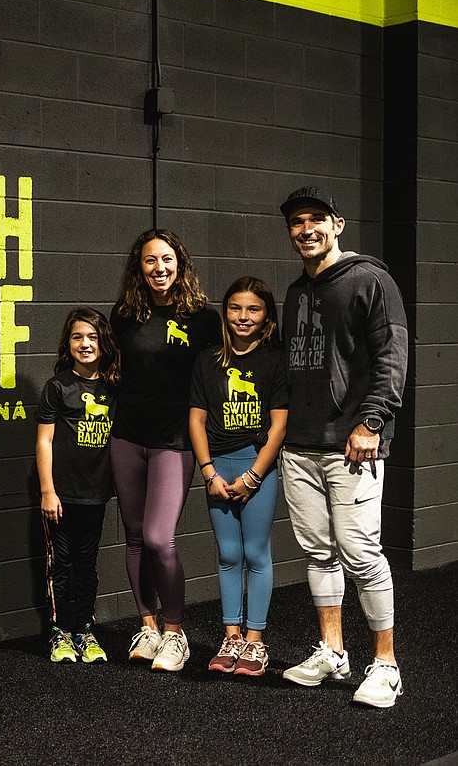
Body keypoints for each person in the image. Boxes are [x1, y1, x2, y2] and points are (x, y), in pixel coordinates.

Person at [277, 186, 409, 707]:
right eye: (296, 223)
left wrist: (371, 423)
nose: (306, 229)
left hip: (353, 445)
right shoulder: (296, 292)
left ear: (338, 225)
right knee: (318, 553)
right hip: (301, 446)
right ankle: (333, 653)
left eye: (316, 220)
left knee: (362, 555)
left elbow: (392, 358)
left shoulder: (370, 280)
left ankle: (386, 665)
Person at [110, 229, 221, 671]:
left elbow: (216, 380)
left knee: (160, 538)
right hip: (126, 434)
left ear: (181, 263)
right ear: (139, 267)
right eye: (150, 261)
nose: (160, 268)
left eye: (167, 259)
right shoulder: (123, 315)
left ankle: (176, 633)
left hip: (174, 437)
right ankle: (148, 626)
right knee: (135, 537)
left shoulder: (204, 318)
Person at [189, 277, 288, 677]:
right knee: (229, 554)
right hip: (218, 468)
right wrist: (208, 472)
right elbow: (196, 420)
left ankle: (255, 641)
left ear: (266, 317)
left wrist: (254, 475)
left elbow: (279, 425)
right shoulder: (206, 360)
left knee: (255, 554)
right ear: (225, 312)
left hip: (256, 466)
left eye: (253, 309)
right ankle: (231, 637)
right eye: (235, 308)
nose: (243, 317)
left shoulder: (273, 361)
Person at [35, 307, 121, 664]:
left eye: (92, 337)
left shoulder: (114, 387)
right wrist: (47, 491)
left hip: (95, 494)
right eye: (77, 337)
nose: (85, 344)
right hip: (61, 496)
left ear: (103, 343)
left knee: (87, 563)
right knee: (62, 563)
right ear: (68, 343)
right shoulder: (58, 387)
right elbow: (43, 442)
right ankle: (61, 634)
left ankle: (85, 631)